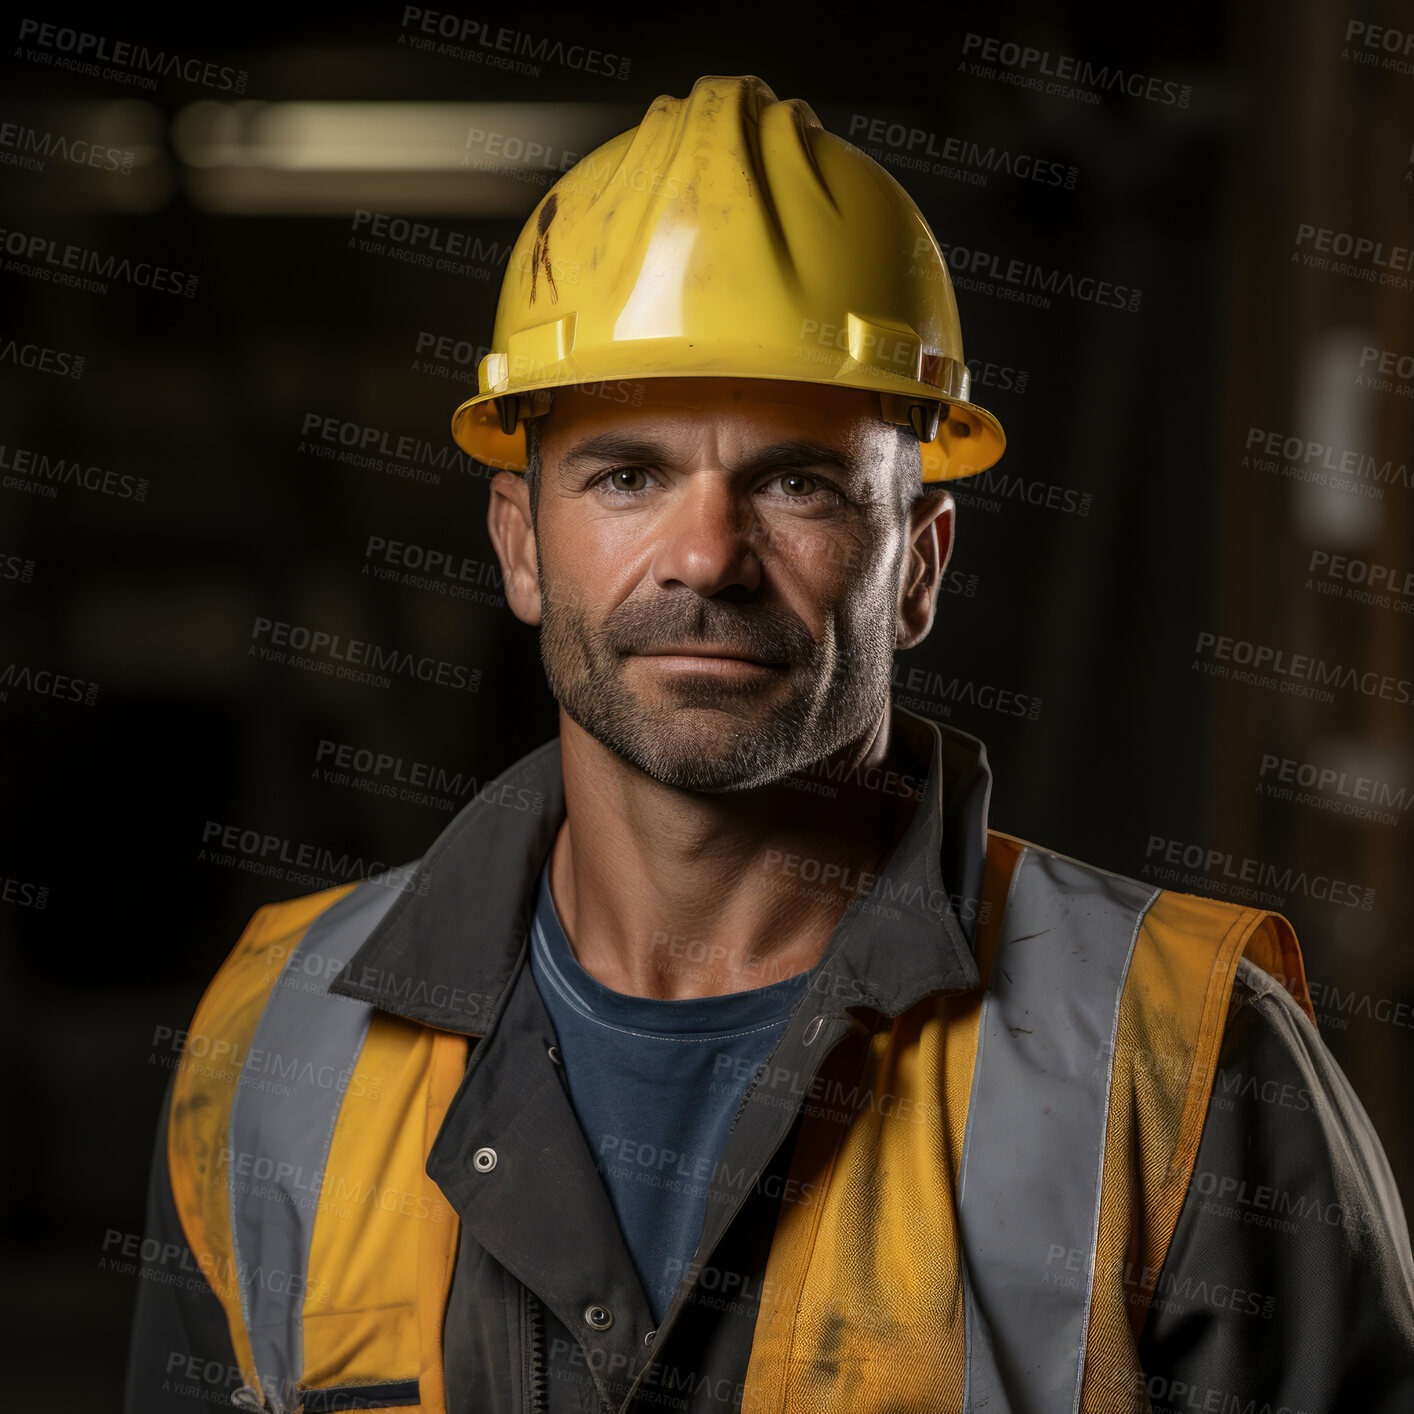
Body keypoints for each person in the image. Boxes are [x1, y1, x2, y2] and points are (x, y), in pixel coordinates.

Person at [124, 74, 1414, 1414]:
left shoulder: (1181, 1058)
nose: (704, 555)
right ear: (519, 542)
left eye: (796, 481)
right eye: (627, 473)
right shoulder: (277, 1041)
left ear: (917, 564)